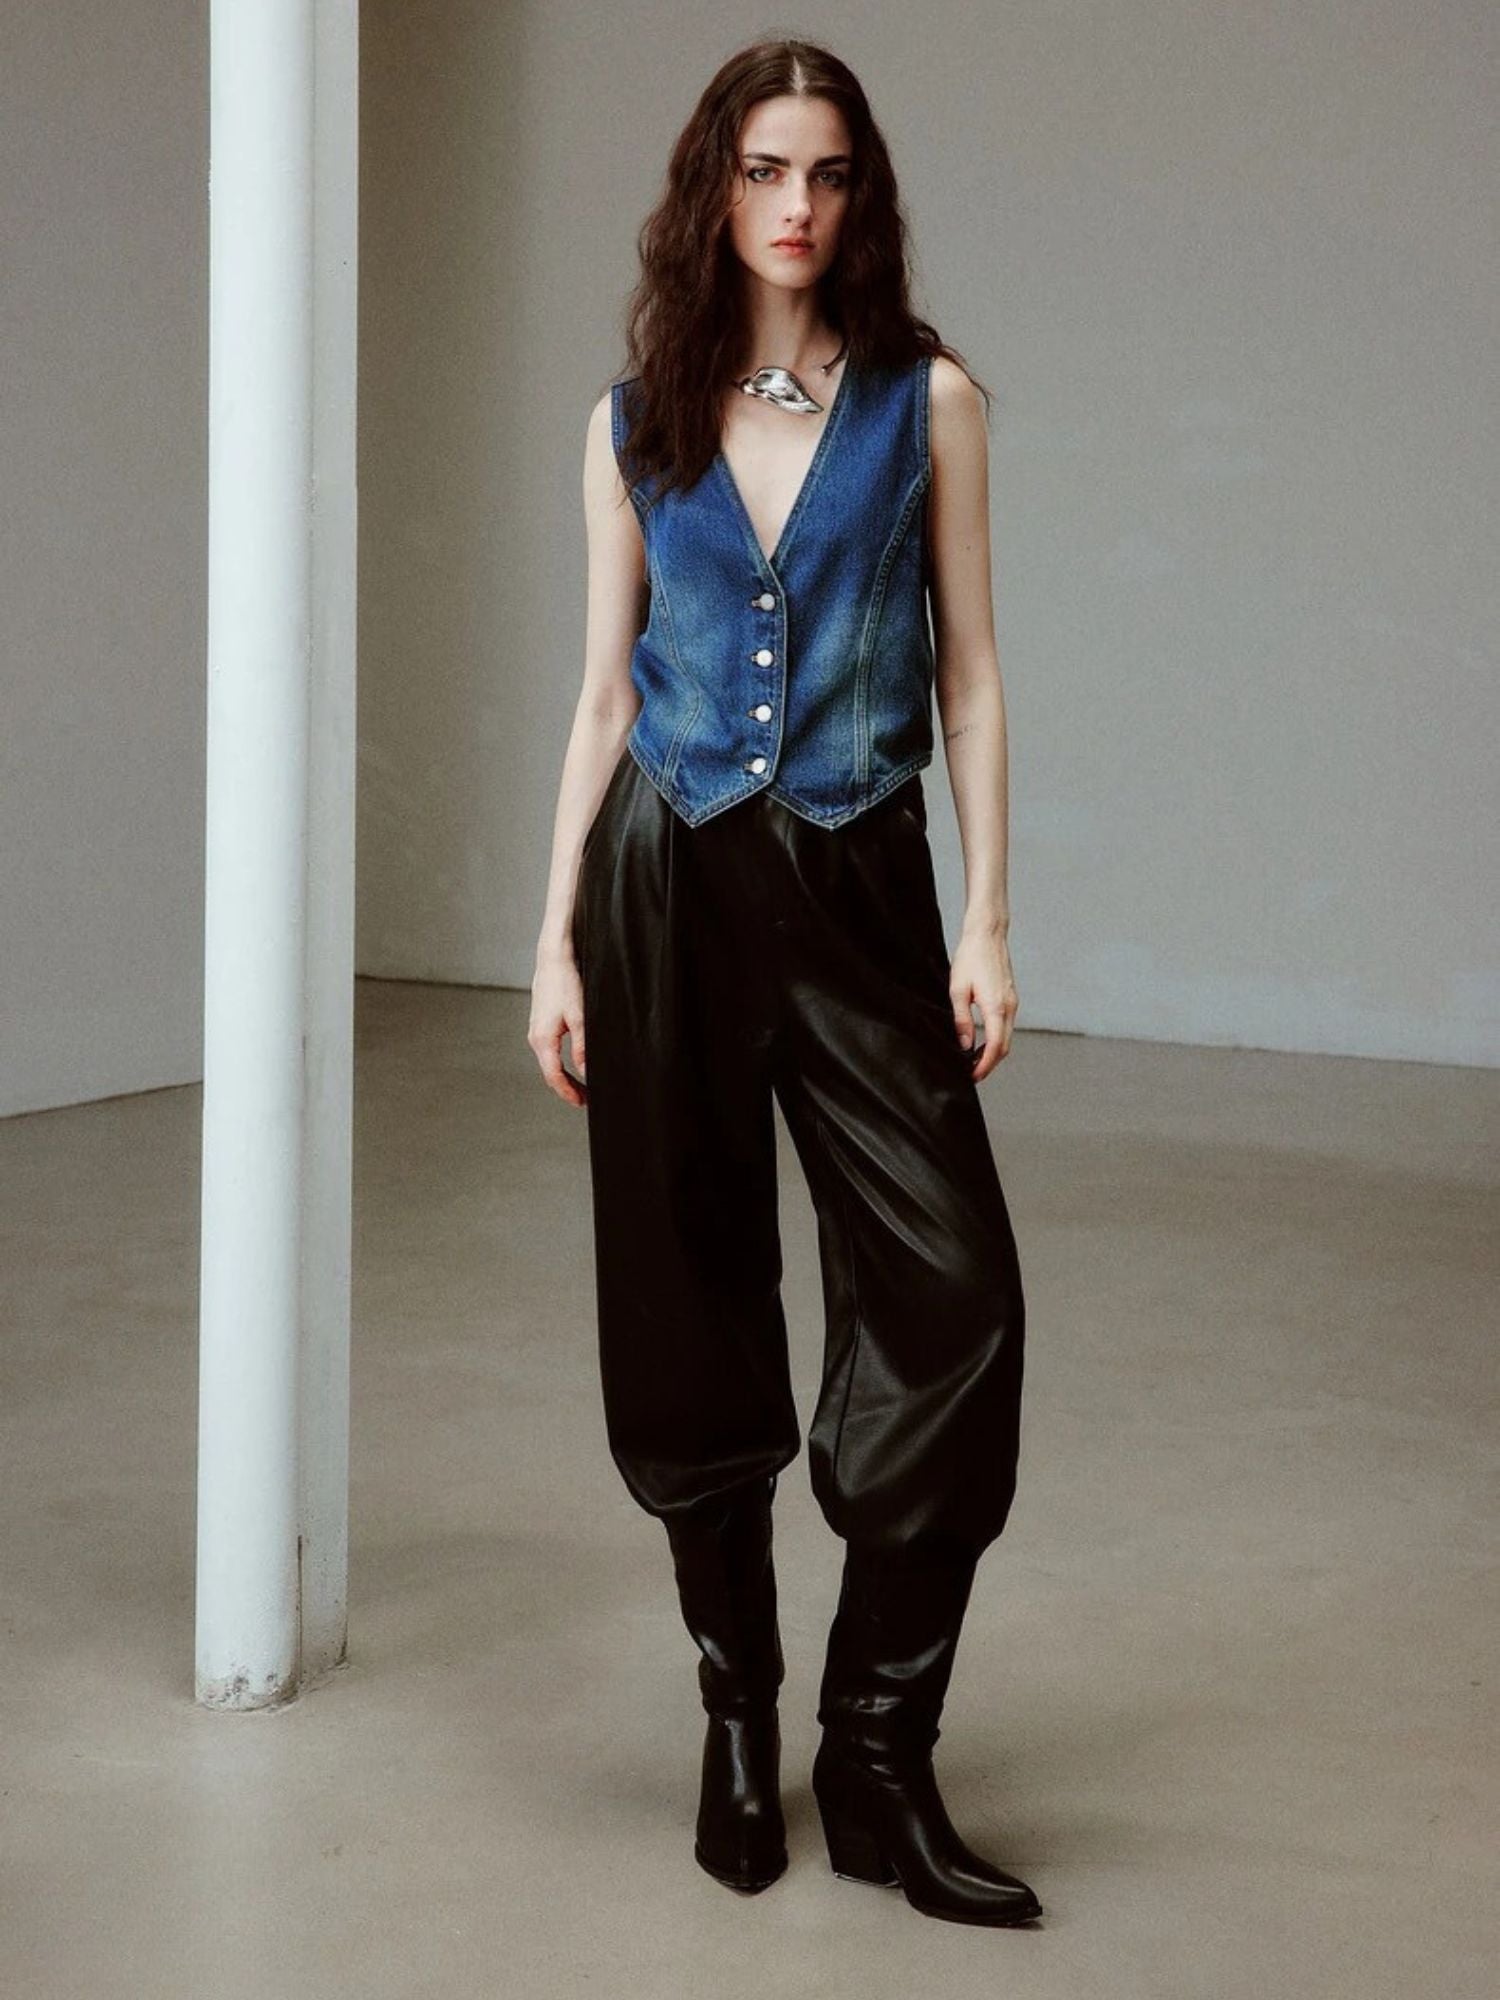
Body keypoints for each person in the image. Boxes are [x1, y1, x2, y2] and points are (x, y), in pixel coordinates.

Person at [529, 38, 1040, 1930]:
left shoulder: (935, 403)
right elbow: (602, 695)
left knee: (955, 1303)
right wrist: (552, 936)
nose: (798, 204)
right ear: (716, 187)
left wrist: (987, 920)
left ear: (861, 191)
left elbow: (972, 679)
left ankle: (878, 1756)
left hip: (858, 882)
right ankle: (737, 1717)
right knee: (688, 1312)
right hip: (665, 876)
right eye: (764, 168)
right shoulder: (634, 420)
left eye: (825, 171)